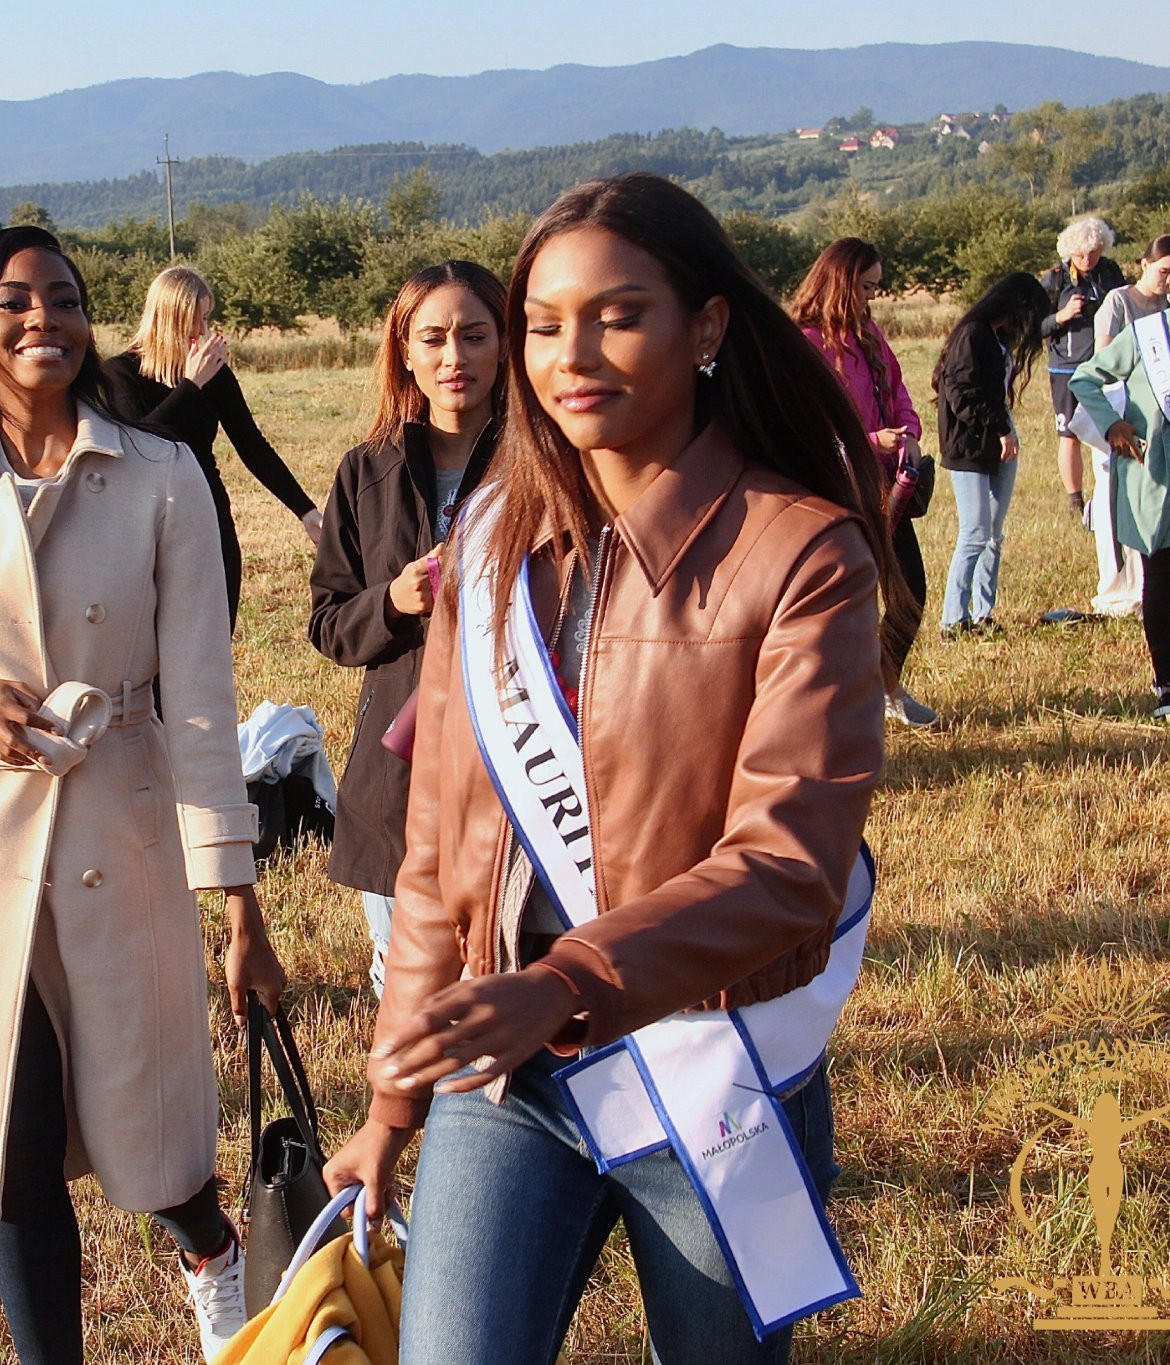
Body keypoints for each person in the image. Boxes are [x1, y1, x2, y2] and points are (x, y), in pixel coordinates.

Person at [322, 173, 903, 1364]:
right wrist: (390, 1101)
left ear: (705, 328)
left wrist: (565, 981)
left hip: (711, 1064)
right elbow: (437, 852)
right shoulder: (486, 545)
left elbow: (790, 864)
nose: (567, 356)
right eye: (540, 324)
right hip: (509, 1080)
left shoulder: (800, 553)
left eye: (616, 315)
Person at [0, 226, 285, 1363]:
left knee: (151, 1141)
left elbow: (201, 702)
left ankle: (210, 1251)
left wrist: (238, 909)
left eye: (62, 297)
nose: (40, 318)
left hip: (124, 839)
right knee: (12, 1147)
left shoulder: (161, 475)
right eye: (11, 302)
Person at [309, 260, 505, 993]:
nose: (455, 358)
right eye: (435, 338)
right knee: (409, 985)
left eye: (475, 335)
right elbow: (330, 623)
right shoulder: (367, 471)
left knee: (506, 972)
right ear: (407, 352)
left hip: (520, 765)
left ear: (505, 346)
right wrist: (393, 600)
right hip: (399, 775)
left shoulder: (547, 463)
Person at [105, 264, 321, 628]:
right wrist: (191, 384)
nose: (202, 331)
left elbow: (253, 446)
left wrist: (305, 511)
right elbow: (141, 443)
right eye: (197, 319)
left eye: (206, 318)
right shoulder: (119, 373)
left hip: (209, 516)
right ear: (172, 317)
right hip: (149, 522)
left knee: (215, 637)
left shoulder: (214, 371)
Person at [1071, 236, 1170, 723]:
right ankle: (1168, 680)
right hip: (1150, 476)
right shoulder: (1146, 336)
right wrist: (1112, 424)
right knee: (1159, 579)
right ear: (1169, 285)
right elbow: (1085, 378)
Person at [793, 237, 937, 727]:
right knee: (838, 605)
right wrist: (870, 439)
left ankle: (886, 686)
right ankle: (828, 707)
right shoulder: (804, 343)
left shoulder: (870, 334)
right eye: (866, 287)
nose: (872, 297)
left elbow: (898, 391)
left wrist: (909, 433)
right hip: (834, 493)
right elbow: (807, 425)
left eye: (877, 287)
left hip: (890, 491)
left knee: (909, 593)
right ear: (840, 281)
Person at [934, 273, 1051, 638]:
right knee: (975, 530)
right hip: (969, 442)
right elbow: (961, 392)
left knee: (993, 534)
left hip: (999, 436)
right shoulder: (972, 334)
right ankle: (953, 619)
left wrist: (1005, 429)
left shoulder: (999, 338)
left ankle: (984, 613)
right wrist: (999, 428)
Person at [1081, 236, 1170, 619]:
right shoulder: (1118, 302)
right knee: (1111, 499)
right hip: (1116, 415)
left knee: (1148, 500)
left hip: (1155, 418)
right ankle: (1114, 588)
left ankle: (1146, 586)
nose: (1167, 279)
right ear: (1144, 265)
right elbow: (1103, 361)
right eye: (1163, 272)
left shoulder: (1168, 305)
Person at [1040, 217, 1125, 523]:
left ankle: (1111, 490)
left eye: (1094, 252)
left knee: (1109, 429)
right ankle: (1075, 500)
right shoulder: (1056, 279)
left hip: (1106, 367)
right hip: (1066, 368)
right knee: (1069, 434)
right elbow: (1033, 326)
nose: (1087, 259)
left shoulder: (1111, 274)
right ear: (1069, 252)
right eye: (1080, 254)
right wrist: (1063, 315)